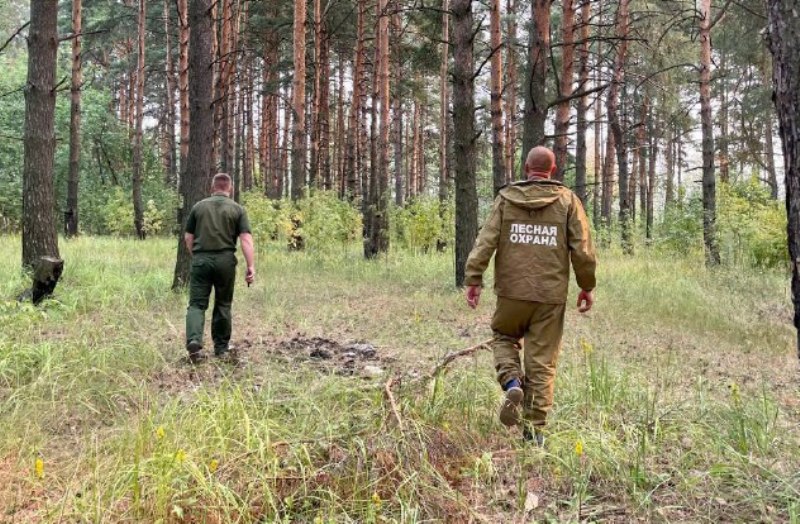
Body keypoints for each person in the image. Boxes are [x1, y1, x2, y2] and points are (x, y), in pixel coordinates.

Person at [463, 146, 596, 445]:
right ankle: (534, 433)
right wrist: (586, 285)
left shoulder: (506, 199)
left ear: (526, 168)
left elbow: (485, 241)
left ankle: (512, 381)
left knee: (503, 336)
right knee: (542, 362)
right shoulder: (567, 201)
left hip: (511, 292)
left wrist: (474, 278)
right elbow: (583, 249)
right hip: (549, 296)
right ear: (553, 170)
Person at [184, 173, 255, 362]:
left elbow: (188, 237)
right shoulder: (237, 209)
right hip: (225, 261)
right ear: (230, 188)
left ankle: (194, 342)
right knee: (223, 304)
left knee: (197, 304)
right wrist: (251, 266)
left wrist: (197, 256)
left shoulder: (198, 207)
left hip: (201, 260)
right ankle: (221, 349)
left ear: (212, 187)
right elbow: (246, 239)